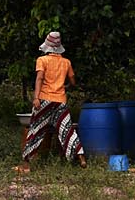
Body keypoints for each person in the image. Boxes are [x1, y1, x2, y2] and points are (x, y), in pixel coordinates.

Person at [17, 31, 86, 171]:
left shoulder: (42, 60)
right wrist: (64, 86)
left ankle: (26, 164)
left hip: (45, 100)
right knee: (67, 130)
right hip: (60, 101)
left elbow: (40, 79)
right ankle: (81, 158)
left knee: (35, 130)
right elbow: (73, 81)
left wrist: (36, 97)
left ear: (47, 47)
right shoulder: (66, 62)